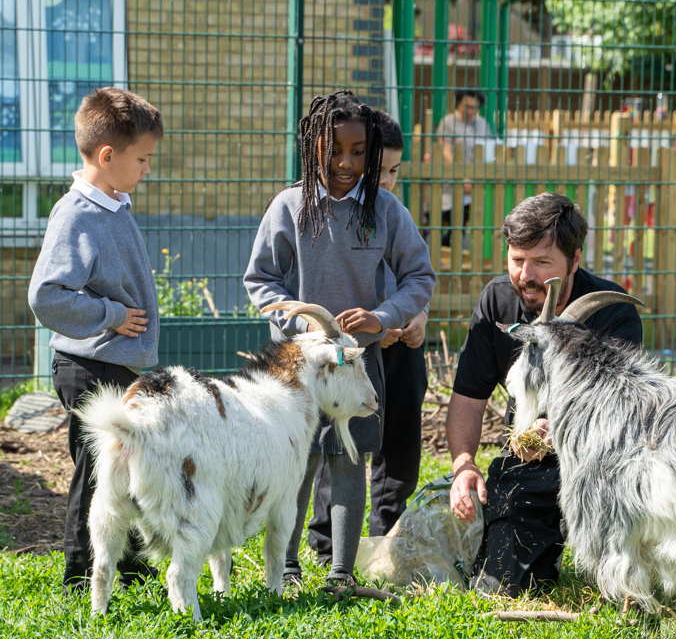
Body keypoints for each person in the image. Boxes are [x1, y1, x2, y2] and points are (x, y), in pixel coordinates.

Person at [245, 91, 436, 588]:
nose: (346, 163)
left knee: (351, 459)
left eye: (358, 152)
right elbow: (261, 280)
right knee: (299, 463)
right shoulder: (288, 207)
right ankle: (285, 567)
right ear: (312, 149)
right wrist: (302, 323)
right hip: (299, 369)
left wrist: (381, 317)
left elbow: (419, 277)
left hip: (357, 365)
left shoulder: (387, 210)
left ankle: (341, 575)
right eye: (334, 151)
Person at [447, 192, 642, 595]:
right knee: (500, 586)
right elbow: (468, 396)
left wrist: (557, 424)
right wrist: (464, 465)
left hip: (601, 462)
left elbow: (625, 415)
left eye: (542, 262)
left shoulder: (612, 312)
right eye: (517, 260)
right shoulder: (497, 301)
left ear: (574, 260)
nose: (525, 275)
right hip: (527, 458)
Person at [28, 87, 164, 591]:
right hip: (88, 365)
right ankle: (82, 572)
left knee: (123, 464)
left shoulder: (112, 205)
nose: (147, 168)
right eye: (143, 158)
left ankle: (124, 563)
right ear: (107, 156)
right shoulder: (77, 213)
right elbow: (46, 297)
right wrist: (109, 314)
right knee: (97, 471)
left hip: (114, 363)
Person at [308, 113, 428, 560]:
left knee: (398, 443)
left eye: (396, 171)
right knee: (340, 441)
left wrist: (417, 318)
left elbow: (417, 277)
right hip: (353, 353)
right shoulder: (322, 213)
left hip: (400, 351)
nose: (388, 179)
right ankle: (327, 542)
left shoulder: (394, 213)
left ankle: (388, 535)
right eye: (382, 170)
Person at [435, 90, 493, 247]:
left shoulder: (482, 124)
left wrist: (472, 179)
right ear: (458, 105)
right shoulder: (448, 122)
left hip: (475, 180)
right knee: (452, 220)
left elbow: (486, 150)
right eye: (466, 106)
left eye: (474, 107)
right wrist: (462, 178)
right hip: (452, 179)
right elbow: (445, 151)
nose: (470, 111)